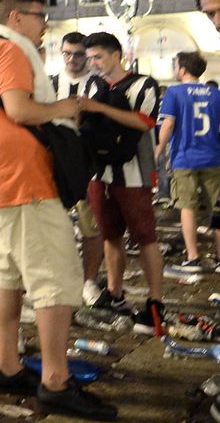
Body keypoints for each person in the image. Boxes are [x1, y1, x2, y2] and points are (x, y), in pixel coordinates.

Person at [0, 0, 116, 421]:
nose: (45, 24)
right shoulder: (9, 50)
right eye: (39, 16)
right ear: (16, 17)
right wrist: (65, 107)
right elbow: (19, 109)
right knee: (55, 274)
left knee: (7, 271)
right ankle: (55, 380)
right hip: (23, 173)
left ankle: (8, 366)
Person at [81, 31, 165, 334]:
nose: (94, 63)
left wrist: (100, 108)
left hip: (134, 173)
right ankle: (115, 293)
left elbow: (145, 122)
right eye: (90, 58)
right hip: (99, 172)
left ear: (117, 55)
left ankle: (155, 301)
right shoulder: (93, 84)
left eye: (98, 57)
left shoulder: (144, 84)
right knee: (110, 234)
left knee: (145, 236)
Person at [49, 31, 107, 305]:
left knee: (90, 226)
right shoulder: (50, 82)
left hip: (87, 163)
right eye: (67, 53)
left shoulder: (96, 83)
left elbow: (84, 118)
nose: (72, 59)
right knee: (50, 225)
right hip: (54, 163)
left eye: (79, 54)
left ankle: (89, 281)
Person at [158, 52, 220, 269]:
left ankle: (193, 256)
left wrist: (158, 149)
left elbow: (168, 124)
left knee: (188, 206)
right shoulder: (215, 93)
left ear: (182, 69)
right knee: (217, 207)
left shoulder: (174, 92)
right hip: (213, 156)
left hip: (185, 158)